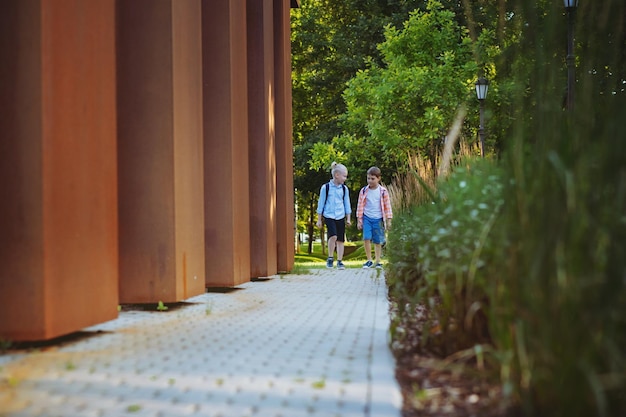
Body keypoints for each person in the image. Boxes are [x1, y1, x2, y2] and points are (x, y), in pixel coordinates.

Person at [316, 162, 352, 270]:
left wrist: (348, 218)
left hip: (340, 216)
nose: (345, 178)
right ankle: (330, 257)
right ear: (337, 175)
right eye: (344, 176)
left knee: (340, 239)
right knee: (333, 236)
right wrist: (319, 219)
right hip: (329, 215)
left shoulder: (344, 189)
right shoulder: (325, 188)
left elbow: (347, 204)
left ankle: (340, 261)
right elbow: (321, 203)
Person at [356, 166, 392, 269]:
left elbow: (387, 206)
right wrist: (359, 220)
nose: (370, 181)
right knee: (366, 238)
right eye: (368, 178)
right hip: (367, 217)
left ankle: (377, 261)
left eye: (373, 179)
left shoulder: (383, 191)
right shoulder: (364, 191)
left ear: (378, 178)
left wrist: (389, 220)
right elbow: (360, 206)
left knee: (377, 240)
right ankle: (369, 260)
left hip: (378, 218)